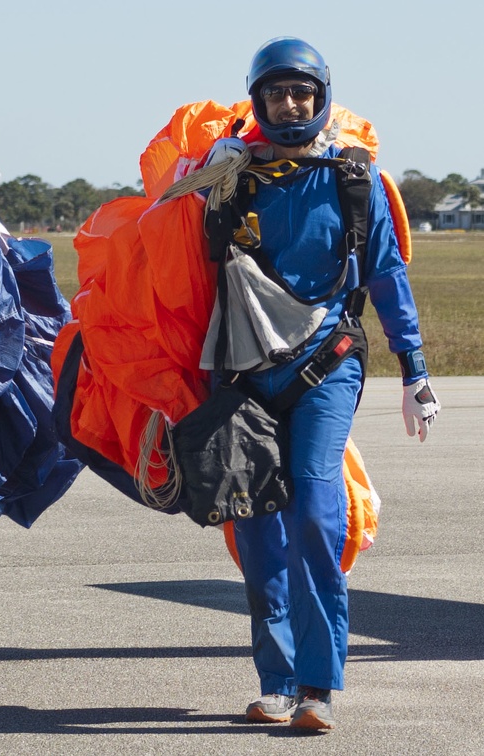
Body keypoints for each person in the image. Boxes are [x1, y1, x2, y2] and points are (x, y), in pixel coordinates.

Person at [201, 37, 441, 730]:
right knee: (256, 525)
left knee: (312, 509)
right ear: (258, 100)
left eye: (301, 91)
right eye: (276, 92)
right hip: (244, 370)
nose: (289, 103)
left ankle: (317, 685)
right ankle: (274, 680)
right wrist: (204, 180)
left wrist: (414, 369)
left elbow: (387, 276)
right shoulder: (230, 176)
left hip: (326, 364)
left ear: (320, 96)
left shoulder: (351, 179)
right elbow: (177, 274)